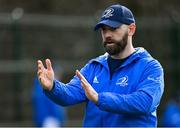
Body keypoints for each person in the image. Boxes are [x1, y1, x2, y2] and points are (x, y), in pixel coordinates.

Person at [37, 4, 164, 127]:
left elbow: (144, 102)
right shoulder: (94, 66)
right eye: (104, 29)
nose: (107, 35)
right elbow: (69, 95)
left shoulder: (150, 67)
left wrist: (99, 98)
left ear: (131, 29)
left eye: (113, 28)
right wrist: (52, 87)